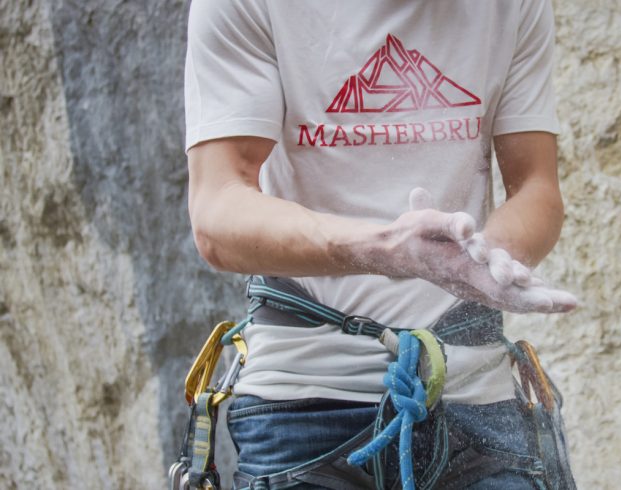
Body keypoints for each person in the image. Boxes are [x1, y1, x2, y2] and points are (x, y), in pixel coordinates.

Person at [184, 0, 578, 488]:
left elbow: (537, 187)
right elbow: (217, 212)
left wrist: (482, 257)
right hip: (304, 403)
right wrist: (386, 248)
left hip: (477, 397)